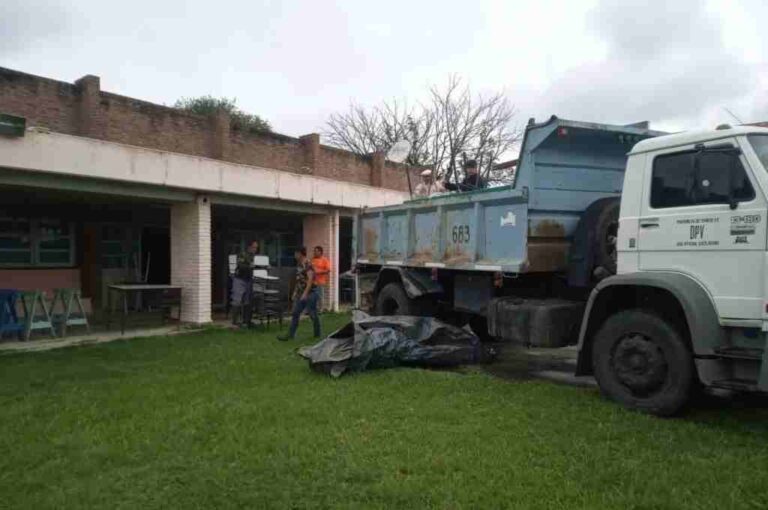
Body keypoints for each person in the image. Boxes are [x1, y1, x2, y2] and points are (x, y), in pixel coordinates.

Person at [278, 247, 321, 341]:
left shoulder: (307, 264)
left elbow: (310, 280)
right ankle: (290, 335)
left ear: (300, 254)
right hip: (302, 292)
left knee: (312, 313)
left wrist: (305, 294)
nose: (294, 256)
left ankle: (317, 334)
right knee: (295, 313)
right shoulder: (299, 265)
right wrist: (295, 293)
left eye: (295, 253)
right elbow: (299, 280)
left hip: (311, 293)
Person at [231, 240, 259, 327]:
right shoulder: (242, 254)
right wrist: (249, 266)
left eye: (256, 247)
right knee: (237, 300)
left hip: (249, 280)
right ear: (249, 247)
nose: (255, 249)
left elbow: (256, 266)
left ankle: (246, 321)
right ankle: (235, 322)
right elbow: (240, 265)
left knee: (247, 301)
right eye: (254, 247)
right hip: (239, 279)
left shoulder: (255, 257)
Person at [312, 245, 331, 311]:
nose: (314, 252)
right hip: (313, 282)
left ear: (320, 252)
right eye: (314, 251)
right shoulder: (313, 259)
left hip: (320, 281)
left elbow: (328, 270)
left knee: (320, 296)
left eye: (316, 251)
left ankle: (321, 309)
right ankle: (314, 308)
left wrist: (319, 272)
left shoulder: (324, 260)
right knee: (313, 296)